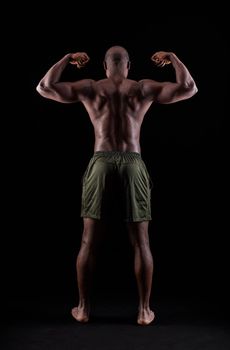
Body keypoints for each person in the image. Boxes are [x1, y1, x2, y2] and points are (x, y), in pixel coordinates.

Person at [36, 45, 198, 325]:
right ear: (128, 66)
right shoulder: (143, 87)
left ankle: (83, 309)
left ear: (104, 66)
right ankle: (144, 311)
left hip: (100, 159)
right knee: (141, 242)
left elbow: (44, 87)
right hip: (133, 160)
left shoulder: (91, 87)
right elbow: (189, 88)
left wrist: (66, 58)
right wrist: (173, 58)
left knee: (88, 239)